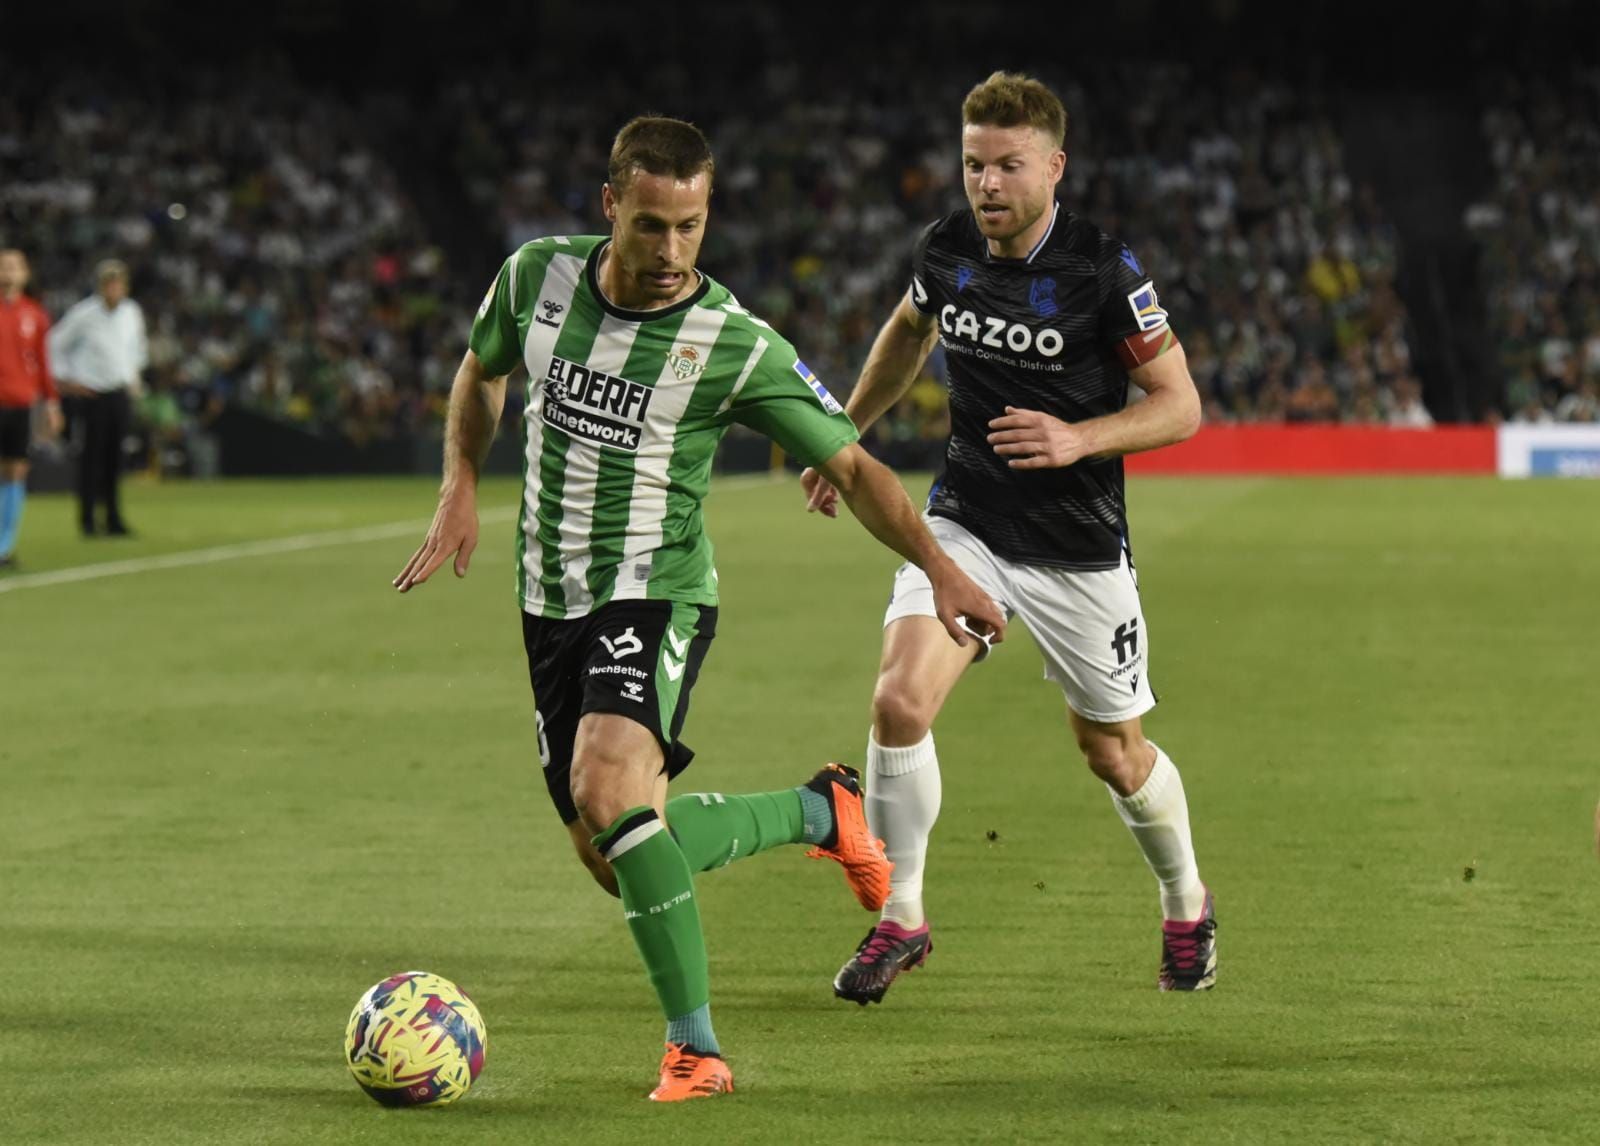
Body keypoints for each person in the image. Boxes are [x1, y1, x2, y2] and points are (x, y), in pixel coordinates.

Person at [392, 116, 1006, 1102]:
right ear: (610, 208)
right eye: (650, 225)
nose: (672, 250)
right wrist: (459, 480)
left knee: (608, 790)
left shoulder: (734, 345)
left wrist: (939, 567)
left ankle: (696, 1051)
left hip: (656, 592)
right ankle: (821, 810)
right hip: (548, 601)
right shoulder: (535, 279)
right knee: (619, 855)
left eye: (690, 226)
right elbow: (481, 369)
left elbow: (853, 467)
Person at [800, 72, 1215, 1002]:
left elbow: (1181, 405)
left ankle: (1186, 899)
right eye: (974, 164)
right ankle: (902, 916)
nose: (987, 184)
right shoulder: (946, 248)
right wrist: (845, 430)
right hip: (968, 524)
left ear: (1054, 167)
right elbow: (908, 332)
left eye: (1009, 166)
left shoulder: (1104, 271)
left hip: (1078, 548)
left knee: (1113, 752)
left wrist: (1079, 438)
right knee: (899, 702)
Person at [48, 259, 148, 537]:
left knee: (116, 458)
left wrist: (133, 377)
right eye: (109, 284)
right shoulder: (84, 313)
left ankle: (113, 517)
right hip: (92, 395)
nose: (114, 289)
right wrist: (67, 380)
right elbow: (54, 344)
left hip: (119, 392)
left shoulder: (131, 312)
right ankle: (88, 519)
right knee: (91, 458)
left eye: (118, 283)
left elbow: (137, 349)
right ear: (100, 286)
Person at [0, 249, 62, 569]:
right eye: (4, 266)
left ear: (25, 274)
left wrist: (51, 402)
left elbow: (42, 362)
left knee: (16, 470)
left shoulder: (35, 314)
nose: (9, 272)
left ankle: (4, 545)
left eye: (15, 267)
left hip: (21, 403)